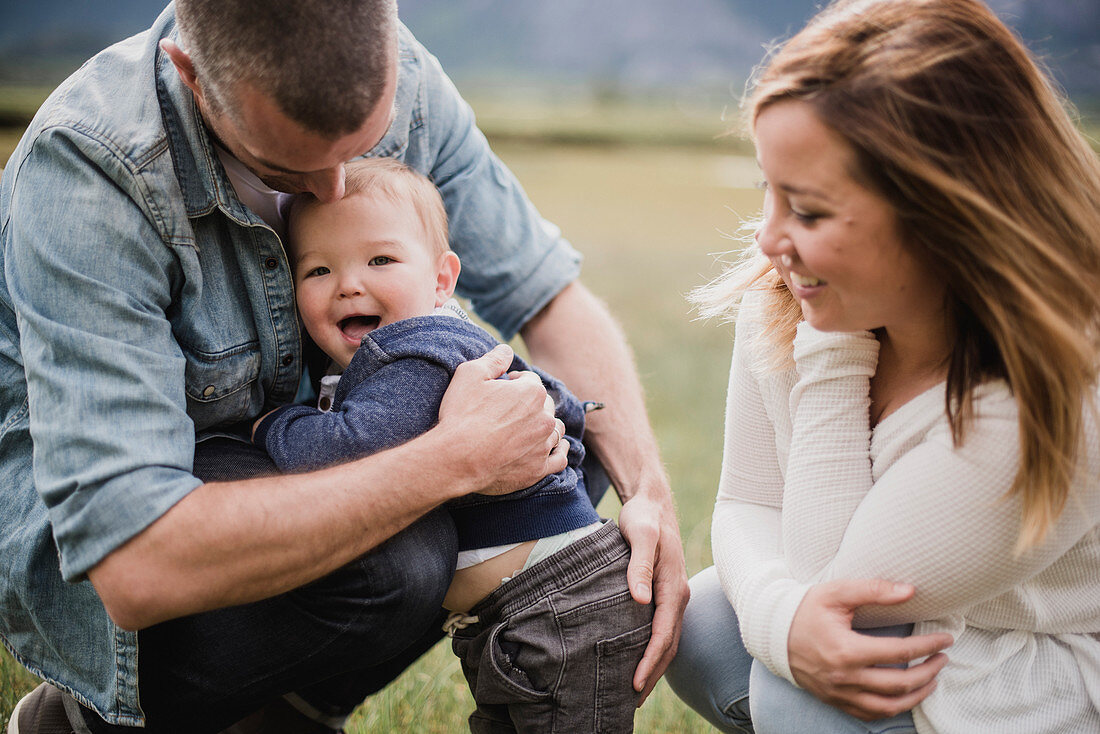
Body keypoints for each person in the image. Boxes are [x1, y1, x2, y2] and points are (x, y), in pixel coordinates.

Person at [0, 0, 688, 731]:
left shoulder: (401, 70)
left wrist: (648, 494)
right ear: (192, 78)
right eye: (286, 167)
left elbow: (545, 294)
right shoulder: (93, 171)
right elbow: (135, 563)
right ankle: (84, 721)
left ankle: (281, 710)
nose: (330, 189)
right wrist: (455, 459)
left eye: (363, 145)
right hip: (140, 535)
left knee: (559, 453)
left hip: (287, 457)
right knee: (400, 557)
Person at [663, 0, 1100, 732]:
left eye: (808, 211)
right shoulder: (801, 287)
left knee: (812, 689)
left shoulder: (1047, 384)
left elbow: (843, 591)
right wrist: (784, 621)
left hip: (1052, 665)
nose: (769, 239)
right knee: (708, 621)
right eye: (768, 191)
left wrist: (833, 356)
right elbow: (745, 503)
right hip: (936, 621)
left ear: (944, 214)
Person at [251, 156, 654, 732]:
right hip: (527, 609)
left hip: (561, 607)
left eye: (381, 260)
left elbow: (345, 450)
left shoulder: (414, 353)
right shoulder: (442, 345)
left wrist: (272, 425)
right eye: (317, 271)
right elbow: (563, 404)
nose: (349, 284)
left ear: (441, 279)